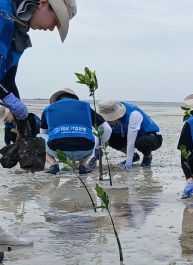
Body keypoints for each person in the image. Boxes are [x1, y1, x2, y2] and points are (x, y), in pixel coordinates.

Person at [0, 0, 77, 247]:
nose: (52, 28)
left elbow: (7, 77)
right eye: (56, 21)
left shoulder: (17, 29)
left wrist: (21, 114)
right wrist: (8, 99)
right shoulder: (2, 13)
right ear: (44, 3)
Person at [40, 88, 111, 174]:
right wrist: (96, 149)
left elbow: (43, 133)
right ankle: (84, 165)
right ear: (74, 98)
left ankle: (53, 164)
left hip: (58, 150)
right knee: (87, 135)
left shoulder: (48, 109)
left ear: (56, 100)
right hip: (86, 149)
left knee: (39, 137)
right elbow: (107, 129)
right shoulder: (85, 107)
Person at [97, 99, 162, 169]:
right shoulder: (106, 115)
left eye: (109, 120)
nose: (107, 122)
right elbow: (100, 135)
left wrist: (128, 163)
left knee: (141, 142)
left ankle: (148, 156)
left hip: (151, 137)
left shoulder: (134, 114)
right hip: (125, 135)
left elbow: (131, 141)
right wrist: (96, 149)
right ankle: (134, 156)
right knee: (108, 136)